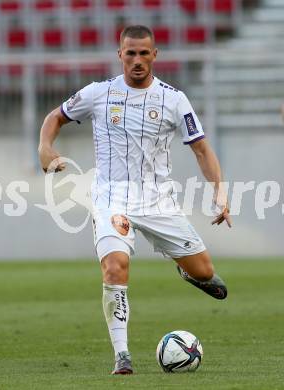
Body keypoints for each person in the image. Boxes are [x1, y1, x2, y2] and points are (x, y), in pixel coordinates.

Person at [38, 25, 231, 375]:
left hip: (158, 200)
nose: (138, 60)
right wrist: (45, 146)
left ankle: (188, 272)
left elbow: (201, 149)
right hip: (111, 196)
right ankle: (122, 356)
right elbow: (56, 117)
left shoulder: (174, 99)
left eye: (144, 53)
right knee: (115, 266)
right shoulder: (99, 93)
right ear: (120, 55)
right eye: (131, 53)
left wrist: (219, 188)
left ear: (155, 55)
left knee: (205, 271)